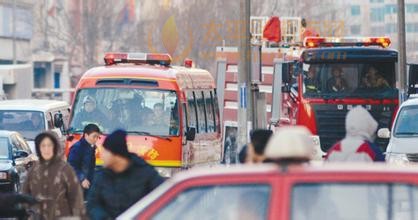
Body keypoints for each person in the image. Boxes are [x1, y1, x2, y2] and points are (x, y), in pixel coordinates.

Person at [87, 129, 164, 219]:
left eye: (105, 151)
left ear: (115, 154)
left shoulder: (146, 173)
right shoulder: (101, 176)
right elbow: (93, 205)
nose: (101, 155)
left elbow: (164, 200)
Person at [23, 132, 86, 219]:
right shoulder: (34, 170)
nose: (46, 149)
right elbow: (24, 198)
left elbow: (76, 200)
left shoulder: (66, 170)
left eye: (49, 145)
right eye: (43, 146)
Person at [68, 124, 101, 198]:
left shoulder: (91, 147)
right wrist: (82, 179)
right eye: (94, 136)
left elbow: (91, 167)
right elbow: (71, 166)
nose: (96, 139)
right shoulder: (77, 148)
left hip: (87, 184)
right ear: (86, 135)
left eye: (97, 137)